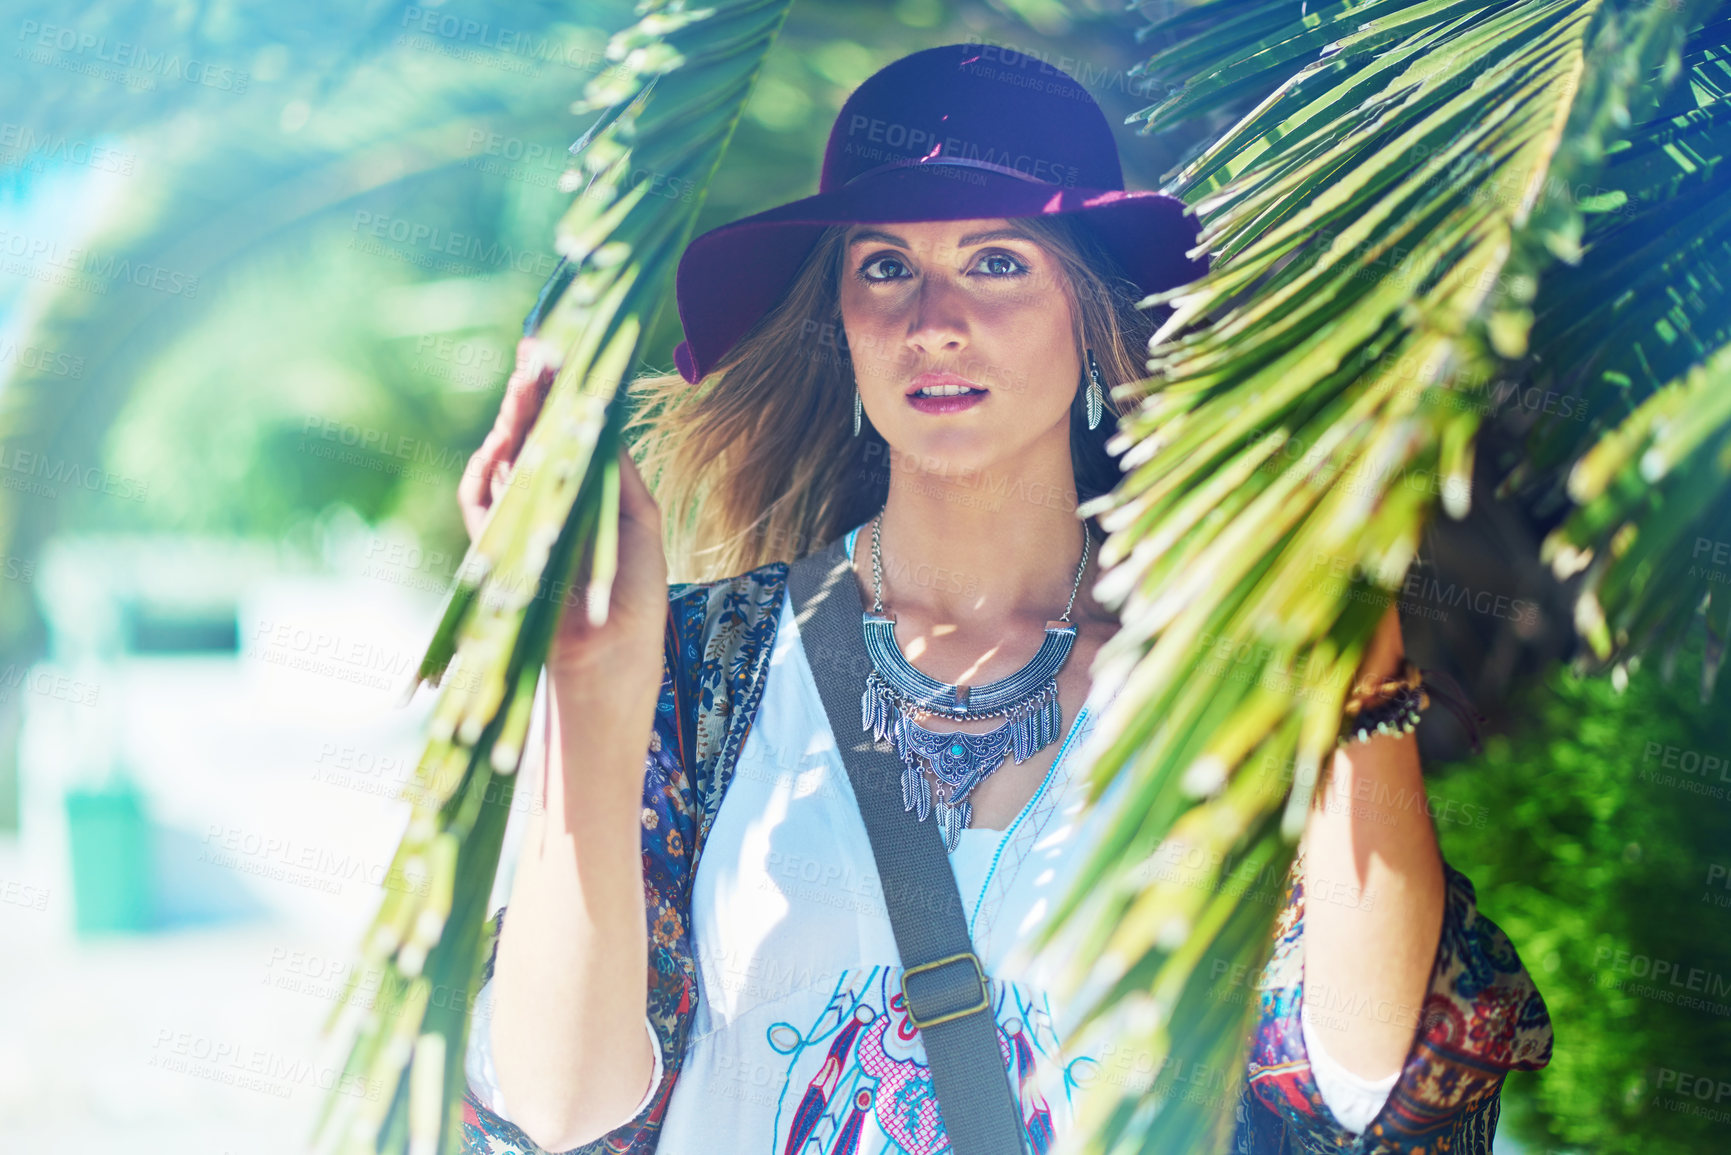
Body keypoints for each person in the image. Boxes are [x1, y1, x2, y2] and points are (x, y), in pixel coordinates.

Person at [453, 44, 1552, 1155]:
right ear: (838, 321)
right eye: (885, 266)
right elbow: (559, 1113)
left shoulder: (1218, 672)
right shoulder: (700, 668)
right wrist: (587, 687)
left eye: (997, 261)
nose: (934, 318)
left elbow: (1367, 1078)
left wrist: (1347, 634)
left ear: (1093, 314)